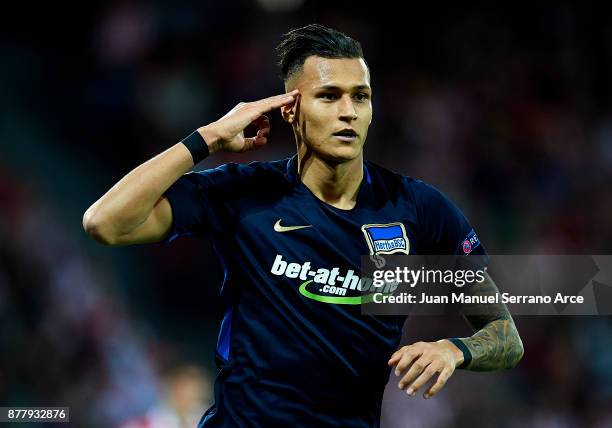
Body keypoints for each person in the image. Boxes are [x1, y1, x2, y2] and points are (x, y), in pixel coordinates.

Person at [83, 24, 524, 427]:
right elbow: (106, 222)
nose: (348, 111)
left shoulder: (421, 208)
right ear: (291, 110)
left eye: (361, 96)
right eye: (329, 96)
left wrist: (455, 349)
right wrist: (208, 139)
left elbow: (506, 337)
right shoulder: (243, 191)